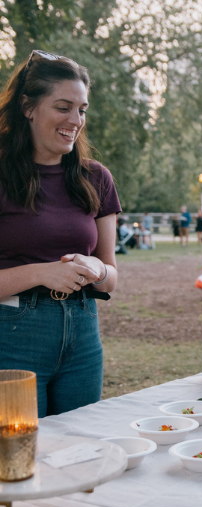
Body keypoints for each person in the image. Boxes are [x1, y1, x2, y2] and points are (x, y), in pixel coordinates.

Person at [0, 49, 121, 417]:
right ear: (28, 107)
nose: (75, 120)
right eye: (63, 107)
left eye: (81, 110)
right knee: (19, 459)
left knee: (81, 452)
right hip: (13, 339)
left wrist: (97, 270)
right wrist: (41, 272)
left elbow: (111, 275)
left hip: (84, 337)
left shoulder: (96, 177)